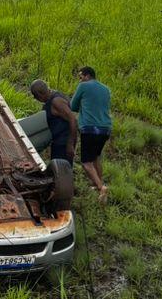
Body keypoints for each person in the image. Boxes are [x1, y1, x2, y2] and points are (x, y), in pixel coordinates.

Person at [70, 66, 112, 203]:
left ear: (87, 76)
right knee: (95, 158)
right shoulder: (106, 89)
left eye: (81, 77)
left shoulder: (83, 86)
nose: (80, 80)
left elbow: (73, 106)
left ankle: (101, 187)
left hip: (90, 128)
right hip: (105, 129)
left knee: (86, 162)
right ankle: (97, 184)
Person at [29, 78, 77, 165]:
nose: (35, 98)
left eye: (35, 96)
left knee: (61, 169)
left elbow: (73, 119)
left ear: (40, 94)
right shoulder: (51, 98)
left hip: (63, 143)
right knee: (57, 168)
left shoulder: (56, 102)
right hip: (58, 141)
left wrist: (70, 144)